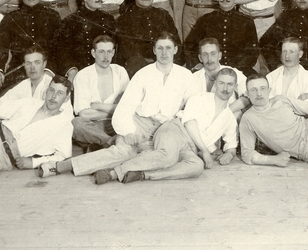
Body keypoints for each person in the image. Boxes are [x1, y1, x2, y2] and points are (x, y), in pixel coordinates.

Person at [55, 31, 198, 180]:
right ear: (154, 50)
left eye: (168, 48)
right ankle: (69, 165)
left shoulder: (186, 75)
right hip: (141, 123)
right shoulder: (143, 74)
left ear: (175, 50)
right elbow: (125, 107)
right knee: (125, 151)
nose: (164, 53)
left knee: (194, 164)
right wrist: (128, 131)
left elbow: (193, 109)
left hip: (168, 127)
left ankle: (120, 172)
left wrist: (177, 122)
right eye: (160, 48)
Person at [97, 67, 239, 185]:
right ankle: (114, 173)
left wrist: (229, 154)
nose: (225, 88)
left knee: (196, 167)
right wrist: (205, 151)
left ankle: (143, 174)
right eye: (221, 83)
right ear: (215, 84)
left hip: (190, 148)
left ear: (235, 87)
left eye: (230, 84)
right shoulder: (200, 98)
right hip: (176, 130)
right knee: (168, 157)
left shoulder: (229, 119)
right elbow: (190, 124)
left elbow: (231, 145)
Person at [0, 0, 62, 97]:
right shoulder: (11, 18)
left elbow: (59, 49)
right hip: (19, 70)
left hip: (47, 69)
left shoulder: (53, 16)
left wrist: (49, 70)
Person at [186, 0, 257, 74]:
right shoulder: (206, 19)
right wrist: (199, 66)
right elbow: (190, 46)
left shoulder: (247, 21)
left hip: (239, 71)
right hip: (210, 69)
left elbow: (252, 53)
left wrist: (236, 70)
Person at [71, 34, 130, 150]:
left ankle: (99, 145)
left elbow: (127, 107)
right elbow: (84, 114)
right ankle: (110, 143)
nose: (106, 56)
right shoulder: (83, 75)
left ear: (113, 52)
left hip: (116, 124)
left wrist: (98, 106)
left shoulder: (120, 71)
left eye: (109, 52)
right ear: (93, 53)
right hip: (91, 126)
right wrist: (114, 109)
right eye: (101, 52)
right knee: (76, 123)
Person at [57, 0, 121, 79]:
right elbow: (62, 51)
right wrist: (71, 69)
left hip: (105, 67)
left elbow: (115, 48)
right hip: (80, 71)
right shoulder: (71, 21)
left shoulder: (108, 18)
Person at [115, 0, 177, 74]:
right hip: (139, 68)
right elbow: (127, 52)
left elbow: (175, 42)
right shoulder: (124, 19)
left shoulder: (163, 15)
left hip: (164, 64)